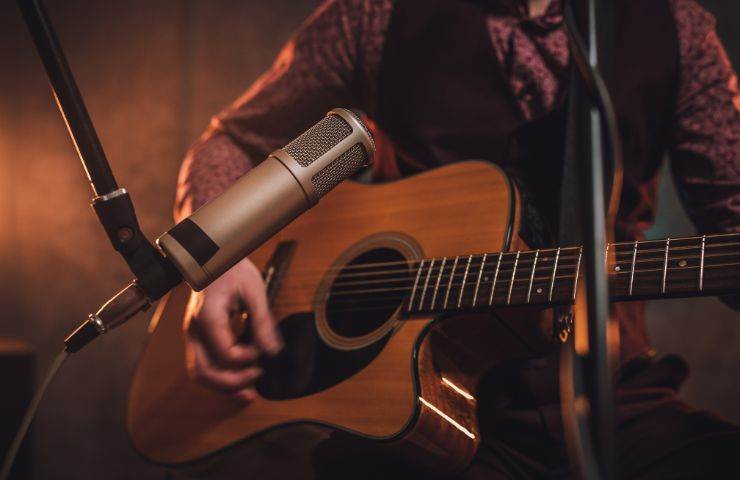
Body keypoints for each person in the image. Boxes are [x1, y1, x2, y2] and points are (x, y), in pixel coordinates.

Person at [174, 0, 740, 477]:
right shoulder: (376, 12)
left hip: (617, 401)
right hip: (415, 409)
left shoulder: (677, 29)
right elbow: (234, 142)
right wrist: (218, 259)